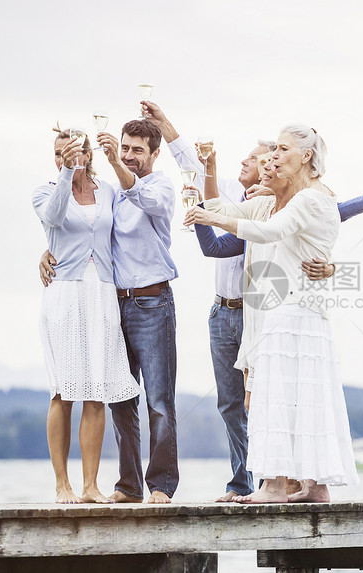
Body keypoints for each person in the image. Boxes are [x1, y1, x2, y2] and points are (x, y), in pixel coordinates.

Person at [187, 125, 363, 503]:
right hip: (293, 312)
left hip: (292, 312)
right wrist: (204, 193)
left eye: (282, 150)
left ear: (306, 156)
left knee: (280, 399)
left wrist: (212, 220)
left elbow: (272, 232)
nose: (272, 159)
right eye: (270, 155)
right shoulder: (292, 198)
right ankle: (313, 486)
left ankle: (273, 486)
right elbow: (237, 210)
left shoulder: (310, 199)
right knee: (299, 400)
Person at [40, 119, 179, 504]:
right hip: (111, 299)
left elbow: (146, 201)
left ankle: (161, 486)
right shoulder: (98, 192)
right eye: (125, 149)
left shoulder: (150, 187)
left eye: (138, 150)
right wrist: (50, 251)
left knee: (158, 400)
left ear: (154, 153)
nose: (130, 156)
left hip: (152, 301)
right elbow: (70, 225)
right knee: (118, 397)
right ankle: (129, 484)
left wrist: (116, 164)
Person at [140, 100, 272, 502]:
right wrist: (163, 122)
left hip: (255, 314)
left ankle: (269, 481)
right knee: (230, 404)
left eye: (256, 158)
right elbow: (192, 166)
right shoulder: (230, 193)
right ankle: (242, 483)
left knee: (260, 401)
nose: (247, 161)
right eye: (249, 156)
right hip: (221, 310)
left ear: (271, 167)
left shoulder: (270, 208)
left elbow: (222, 245)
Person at [32, 127, 141, 504]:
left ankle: (90, 485)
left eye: (73, 150)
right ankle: (62, 484)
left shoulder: (108, 191)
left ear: (88, 152)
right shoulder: (45, 190)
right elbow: (54, 218)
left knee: (96, 391)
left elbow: (123, 234)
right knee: (64, 390)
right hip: (65, 295)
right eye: (59, 152)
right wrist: (66, 172)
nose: (66, 156)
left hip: (102, 294)